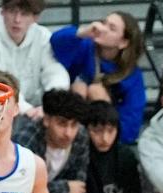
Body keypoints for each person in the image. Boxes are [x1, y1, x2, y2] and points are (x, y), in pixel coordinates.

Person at [50, 12, 145, 144]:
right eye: (104, 23)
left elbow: (131, 123)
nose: (102, 29)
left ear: (123, 42)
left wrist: (105, 109)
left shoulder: (131, 74)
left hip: (104, 134)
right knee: (79, 88)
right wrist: (83, 32)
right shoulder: (86, 46)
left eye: (111, 28)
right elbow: (55, 42)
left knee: (96, 92)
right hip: (71, 122)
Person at [0, 0, 70, 120]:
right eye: (12, 12)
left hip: (41, 110)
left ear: (35, 17)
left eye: (24, 14)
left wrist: (50, 105)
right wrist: (26, 109)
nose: (17, 20)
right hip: (1, 111)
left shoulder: (43, 36)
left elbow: (55, 73)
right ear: (2, 11)